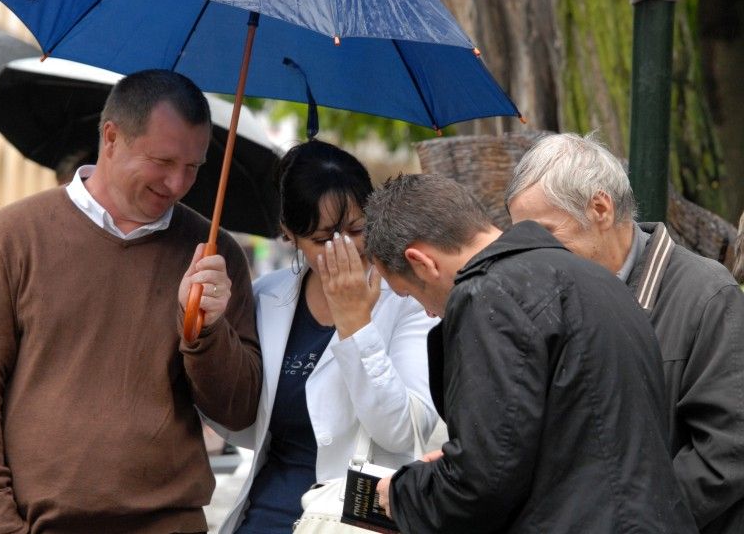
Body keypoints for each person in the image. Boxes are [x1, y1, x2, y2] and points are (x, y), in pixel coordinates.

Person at [0, 70, 262, 532]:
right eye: (162, 160)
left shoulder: (214, 257)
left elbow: (239, 411)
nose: (177, 182)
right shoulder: (10, 238)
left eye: (193, 167)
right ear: (111, 138)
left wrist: (206, 331)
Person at [366, 173, 696, 533]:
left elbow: (483, 482)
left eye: (411, 294)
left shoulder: (488, 294)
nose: (429, 313)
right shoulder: (598, 278)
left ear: (422, 262)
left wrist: (403, 493)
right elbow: (567, 443)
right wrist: (453, 465)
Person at [506, 133, 744, 534]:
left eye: (544, 232)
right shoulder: (544, 297)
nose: (532, 253)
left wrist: (626, 522)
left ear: (600, 208)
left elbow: (728, 450)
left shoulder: (706, 296)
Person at [205, 141, 439, 534]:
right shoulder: (268, 296)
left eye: (357, 230)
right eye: (323, 238)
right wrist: (209, 333)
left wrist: (356, 324)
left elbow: (403, 432)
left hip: (352, 521)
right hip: (267, 514)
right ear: (289, 235)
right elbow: (242, 424)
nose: (345, 248)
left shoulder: (407, 299)